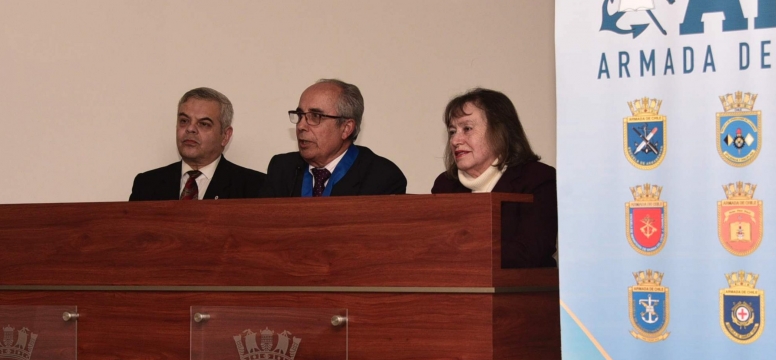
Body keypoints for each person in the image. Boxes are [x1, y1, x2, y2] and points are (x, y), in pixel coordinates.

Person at [431, 88, 558, 268]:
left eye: (467, 128)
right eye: (452, 131)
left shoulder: (537, 179)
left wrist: (460, 251)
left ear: (500, 131)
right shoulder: (445, 185)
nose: (455, 140)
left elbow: (530, 253)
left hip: (518, 293)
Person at [261, 79, 406, 197]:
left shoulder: (381, 177)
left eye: (315, 116)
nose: (301, 126)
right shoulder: (283, 169)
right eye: (300, 115)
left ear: (346, 128)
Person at [129, 88, 265, 201]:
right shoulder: (146, 185)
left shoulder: (255, 187)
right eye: (184, 121)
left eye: (204, 124)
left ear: (225, 135)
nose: (190, 129)